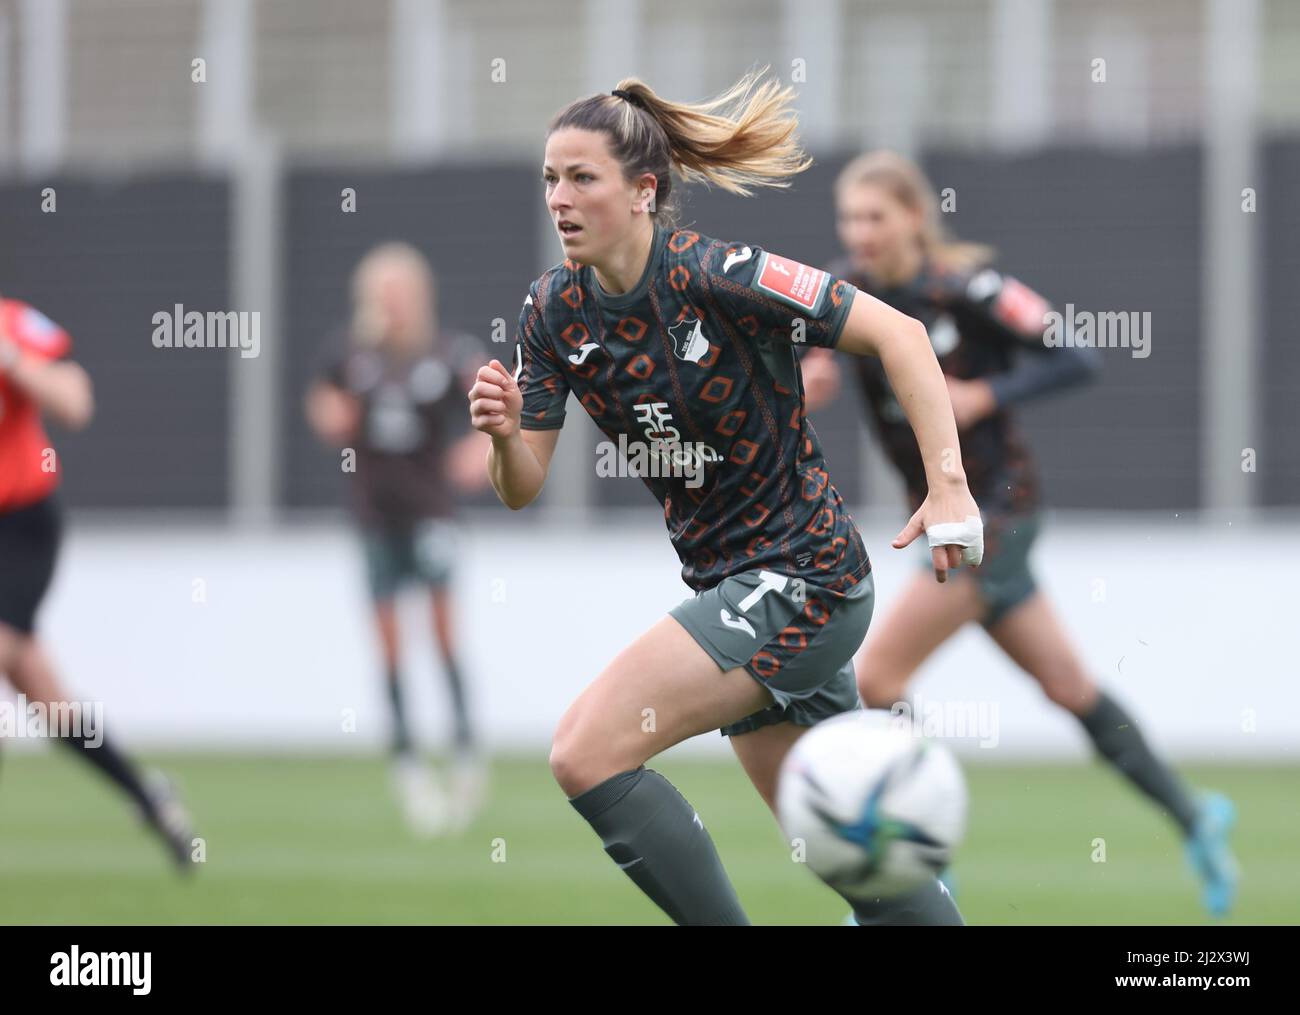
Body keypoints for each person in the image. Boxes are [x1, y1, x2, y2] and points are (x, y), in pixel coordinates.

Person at [467, 71, 986, 926]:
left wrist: (949, 484)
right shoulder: (553, 312)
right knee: (856, 855)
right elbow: (521, 487)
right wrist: (501, 434)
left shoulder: (720, 275)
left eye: (582, 178)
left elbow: (899, 333)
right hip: (737, 591)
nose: (559, 198)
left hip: (805, 578)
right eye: (550, 180)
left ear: (644, 192)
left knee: (587, 751)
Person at [800, 149, 1239, 917]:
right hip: (951, 514)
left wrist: (985, 393)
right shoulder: (848, 293)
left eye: (875, 215)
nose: (860, 231)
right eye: (850, 217)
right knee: (1068, 686)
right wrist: (807, 372)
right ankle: (1197, 816)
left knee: (878, 680)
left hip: (995, 513)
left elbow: (1076, 354)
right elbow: (795, 346)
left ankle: (914, 864)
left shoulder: (967, 289)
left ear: (913, 216)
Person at [0, 293, 195, 871]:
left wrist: (12, 362)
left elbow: (76, 402)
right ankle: (150, 797)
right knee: (46, 700)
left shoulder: (10, 321)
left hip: (20, 529)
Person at [306, 242, 492, 835]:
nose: (395, 307)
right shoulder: (351, 356)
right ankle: (407, 763)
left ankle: (465, 751)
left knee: (441, 636)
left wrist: (483, 448)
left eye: (402, 294)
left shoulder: (449, 354)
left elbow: (500, 400)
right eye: (383, 295)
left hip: (432, 515)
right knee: (388, 647)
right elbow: (326, 413)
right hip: (373, 520)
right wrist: (339, 403)